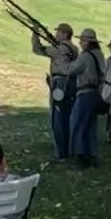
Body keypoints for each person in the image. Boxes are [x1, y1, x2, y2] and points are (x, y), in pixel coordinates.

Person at [32, 23, 77, 161]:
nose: (56, 35)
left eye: (58, 32)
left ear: (64, 34)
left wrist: (35, 34)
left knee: (57, 119)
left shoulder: (60, 49)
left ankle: (62, 153)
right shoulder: (74, 48)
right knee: (68, 117)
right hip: (71, 83)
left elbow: (38, 50)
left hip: (60, 84)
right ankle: (70, 149)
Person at [63, 27, 107, 169]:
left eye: (82, 40)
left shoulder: (86, 56)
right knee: (90, 126)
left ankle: (81, 157)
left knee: (77, 124)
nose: (80, 42)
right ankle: (92, 156)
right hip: (95, 94)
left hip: (85, 94)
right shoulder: (99, 54)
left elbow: (71, 69)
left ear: (87, 42)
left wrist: (65, 61)